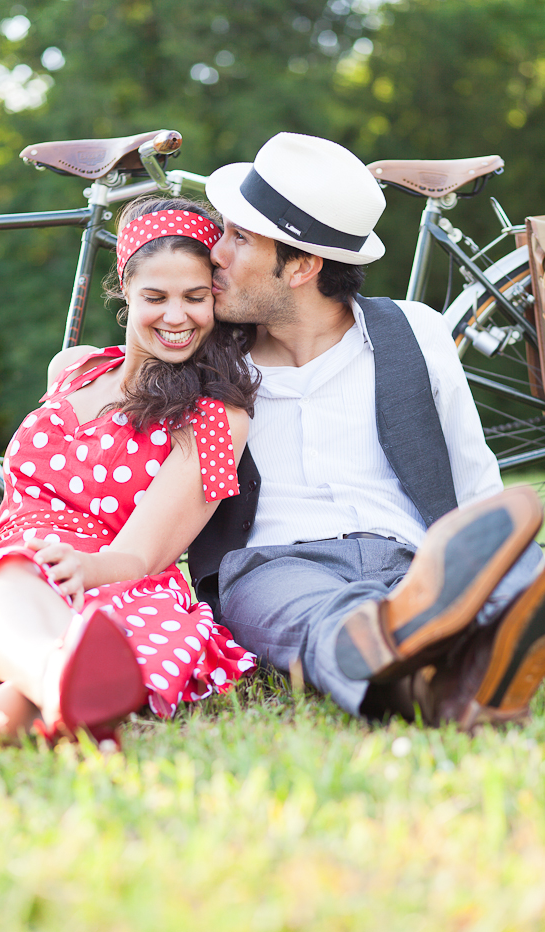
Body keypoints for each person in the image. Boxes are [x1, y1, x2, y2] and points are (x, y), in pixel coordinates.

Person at [188, 132, 545, 729]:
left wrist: (500, 559)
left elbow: (471, 472)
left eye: (239, 237)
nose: (214, 253)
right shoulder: (204, 356)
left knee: (525, 572)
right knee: (315, 616)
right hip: (276, 568)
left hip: (419, 562)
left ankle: (440, 666)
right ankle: (445, 652)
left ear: (301, 265)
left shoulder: (414, 331)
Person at [0, 196, 258, 764]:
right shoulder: (73, 368)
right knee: (11, 583)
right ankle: (62, 680)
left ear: (215, 301)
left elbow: (142, 556)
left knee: (27, 588)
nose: (176, 316)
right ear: (125, 291)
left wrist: (81, 566)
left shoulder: (216, 416)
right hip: (14, 585)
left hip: (119, 589)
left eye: (195, 298)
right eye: (156, 297)